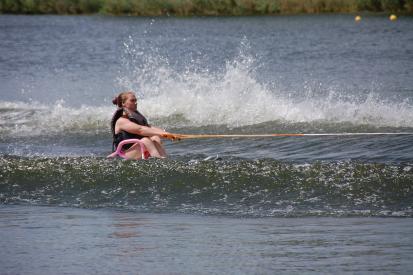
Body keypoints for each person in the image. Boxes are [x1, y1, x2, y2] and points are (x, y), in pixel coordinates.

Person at [110, 91, 175, 159]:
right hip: (124, 154)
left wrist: (168, 134)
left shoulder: (134, 118)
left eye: (136, 100)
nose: (135, 102)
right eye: (132, 100)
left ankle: (164, 159)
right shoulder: (121, 121)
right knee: (145, 140)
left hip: (136, 149)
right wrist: (163, 134)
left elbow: (149, 128)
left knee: (155, 138)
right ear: (123, 103)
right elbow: (140, 130)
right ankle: (158, 161)